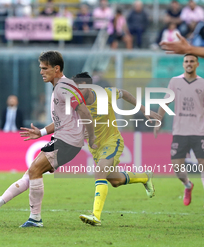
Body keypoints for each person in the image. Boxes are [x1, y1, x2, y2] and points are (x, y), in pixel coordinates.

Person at [0, 51, 97, 227]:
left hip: (67, 141)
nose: (41, 72)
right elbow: (62, 121)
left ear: (56, 69)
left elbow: (84, 112)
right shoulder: (60, 87)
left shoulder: (64, 87)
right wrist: (42, 132)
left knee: (34, 170)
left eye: (45, 68)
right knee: (31, 173)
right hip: (64, 139)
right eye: (40, 68)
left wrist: (92, 137)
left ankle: (35, 218)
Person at [72, 72, 161, 226]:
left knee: (99, 171)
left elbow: (125, 94)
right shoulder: (75, 103)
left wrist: (143, 109)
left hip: (112, 141)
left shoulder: (104, 94)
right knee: (115, 181)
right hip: (95, 147)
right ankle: (145, 177)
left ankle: (96, 216)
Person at [154, 54, 204, 206]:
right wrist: (158, 120)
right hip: (180, 131)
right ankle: (188, 185)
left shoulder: (202, 83)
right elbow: (165, 102)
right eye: (186, 61)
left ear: (197, 64)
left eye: (192, 61)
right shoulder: (175, 82)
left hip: (199, 131)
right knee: (177, 166)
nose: (189, 64)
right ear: (183, 64)